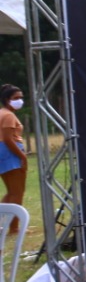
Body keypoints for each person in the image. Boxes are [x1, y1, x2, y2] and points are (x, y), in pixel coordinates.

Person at [0, 84, 27, 236]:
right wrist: (22, 156)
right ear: (6, 99)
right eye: (16, 98)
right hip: (10, 154)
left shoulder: (2, 113)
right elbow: (8, 139)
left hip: (4, 153)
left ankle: (5, 224)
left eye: (21, 98)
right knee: (17, 192)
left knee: (11, 192)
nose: (20, 101)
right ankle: (14, 228)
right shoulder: (9, 115)